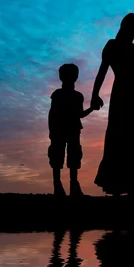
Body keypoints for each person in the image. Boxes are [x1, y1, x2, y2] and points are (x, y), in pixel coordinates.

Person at [90, 13, 134, 195]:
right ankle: (116, 184)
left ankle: (132, 185)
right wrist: (95, 94)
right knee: (119, 137)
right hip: (122, 96)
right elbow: (102, 71)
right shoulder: (113, 46)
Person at [48, 63, 97, 197]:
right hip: (60, 129)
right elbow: (52, 114)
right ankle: (58, 186)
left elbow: (79, 114)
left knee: (73, 157)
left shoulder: (77, 96)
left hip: (73, 129)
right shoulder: (58, 94)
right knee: (58, 157)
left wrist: (92, 108)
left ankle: (72, 185)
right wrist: (52, 131)